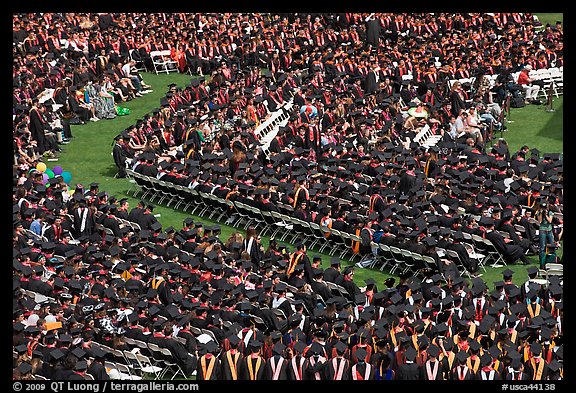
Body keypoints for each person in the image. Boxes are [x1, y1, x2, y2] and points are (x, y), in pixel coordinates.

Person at [535, 201, 555, 268]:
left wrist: (546, 214)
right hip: (542, 230)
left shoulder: (550, 213)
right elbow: (540, 221)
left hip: (549, 230)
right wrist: (541, 213)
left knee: (552, 246)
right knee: (542, 248)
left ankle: (552, 261)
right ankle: (542, 264)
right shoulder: (538, 213)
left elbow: (549, 221)